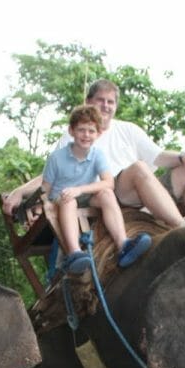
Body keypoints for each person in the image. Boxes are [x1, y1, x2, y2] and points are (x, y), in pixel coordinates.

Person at [2, 79, 185, 228]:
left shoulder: (128, 129)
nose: (105, 106)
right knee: (138, 168)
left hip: (149, 193)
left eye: (110, 102)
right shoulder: (75, 136)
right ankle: (181, 227)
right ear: (88, 102)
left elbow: (157, 157)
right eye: (100, 100)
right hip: (110, 194)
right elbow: (52, 174)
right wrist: (20, 191)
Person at [42, 105, 152, 274]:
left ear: (99, 134)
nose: (86, 135)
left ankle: (123, 243)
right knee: (69, 200)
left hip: (83, 194)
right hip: (62, 198)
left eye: (91, 131)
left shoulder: (97, 155)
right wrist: (41, 204)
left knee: (107, 193)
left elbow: (109, 182)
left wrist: (80, 189)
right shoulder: (57, 158)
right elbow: (46, 188)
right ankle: (74, 252)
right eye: (81, 130)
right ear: (71, 131)